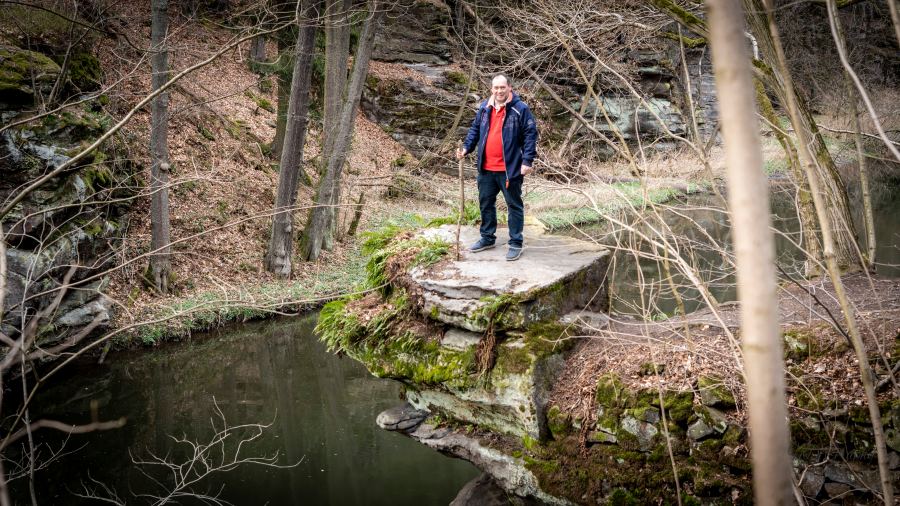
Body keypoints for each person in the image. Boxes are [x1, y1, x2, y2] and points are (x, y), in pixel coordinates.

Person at [456, 75, 538, 261]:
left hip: (510, 170)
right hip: (486, 168)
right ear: (491, 89)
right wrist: (466, 148)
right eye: (496, 88)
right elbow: (475, 130)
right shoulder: (485, 108)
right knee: (485, 203)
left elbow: (530, 135)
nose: (499, 91)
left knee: (514, 205)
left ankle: (515, 243)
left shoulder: (520, 109)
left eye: (503, 87)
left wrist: (527, 161)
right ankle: (487, 238)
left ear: (509, 87)